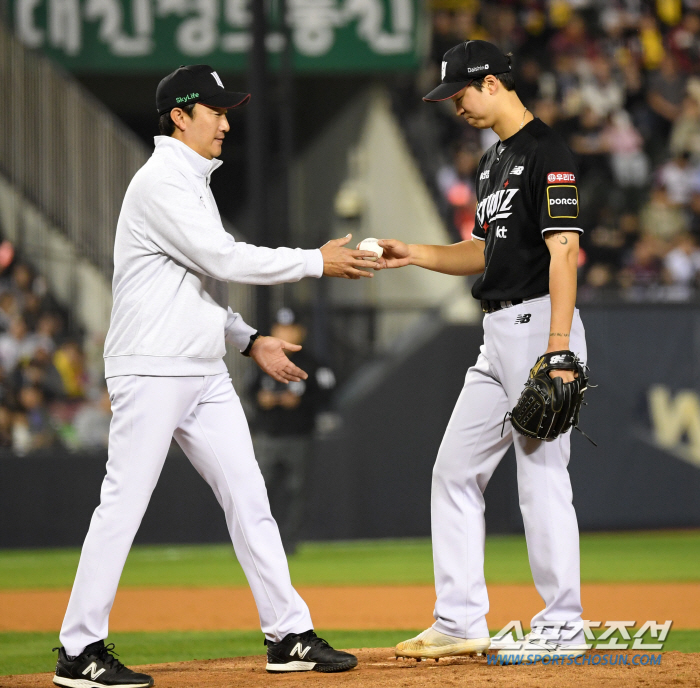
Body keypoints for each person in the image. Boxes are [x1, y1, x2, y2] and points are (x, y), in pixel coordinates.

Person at [52, 64, 377, 687]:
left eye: (228, 112)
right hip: (151, 368)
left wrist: (250, 340)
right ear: (180, 115)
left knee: (252, 500)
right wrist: (316, 260)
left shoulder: (192, 182)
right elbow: (222, 257)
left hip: (201, 369)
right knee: (122, 504)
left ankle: (289, 635)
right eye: (216, 111)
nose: (227, 122)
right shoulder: (161, 183)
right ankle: (79, 650)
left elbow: (195, 286)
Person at [375, 41, 589, 663]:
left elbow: (564, 251)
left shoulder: (549, 150)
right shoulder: (493, 163)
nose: (456, 107)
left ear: (492, 82)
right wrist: (414, 252)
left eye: (461, 93)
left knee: (541, 477)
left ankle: (562, 626)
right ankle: (460, 619)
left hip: (540, 327)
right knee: (454, 471)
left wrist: (556, 350)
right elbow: (483, 253)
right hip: (497, 335)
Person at [250, 308, 336, 554]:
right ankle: (257, 542)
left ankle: (288, 544)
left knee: (296, 492)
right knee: (259, 490)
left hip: (299, 436)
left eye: (290, 328)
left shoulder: (313, 364)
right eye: (280, 327)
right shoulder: (262, 361)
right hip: (267, 436)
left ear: (301, 331)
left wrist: (301, 402)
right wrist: (260, 400)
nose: (285, 332)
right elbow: (248, 391)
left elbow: (327, 396)